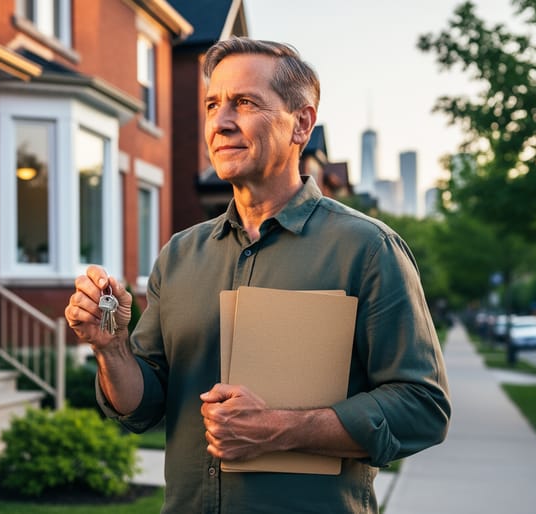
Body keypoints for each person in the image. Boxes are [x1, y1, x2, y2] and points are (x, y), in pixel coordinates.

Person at [65, 37, 450, 514]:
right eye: (212, 104)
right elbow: (142, 406)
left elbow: (422, 408)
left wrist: (279, 427)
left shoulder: (367, 249)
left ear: (301, 124)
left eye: (244, 103)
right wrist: (111, 346)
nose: (222, 122)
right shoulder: (180, 255)